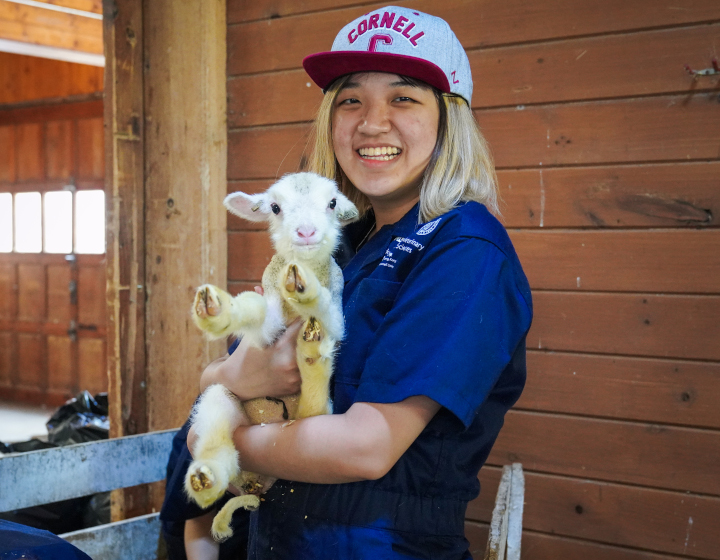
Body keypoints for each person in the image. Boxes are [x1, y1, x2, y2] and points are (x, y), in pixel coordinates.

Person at [192, 6, 532, 559]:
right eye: (351, 99)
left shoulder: (466, 251)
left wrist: (220, 442)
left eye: (404, 97)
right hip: (278, 538)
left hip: (379, 543)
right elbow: (233, 373)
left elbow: (365, 447)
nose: (372, 123)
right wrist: (225, 375)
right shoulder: (338, 242)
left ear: (450, 118)